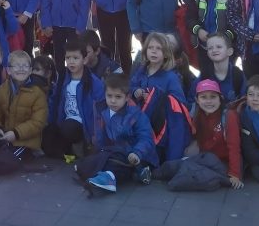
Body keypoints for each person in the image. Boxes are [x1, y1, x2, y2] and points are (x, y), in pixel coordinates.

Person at [76, 72, 157, 194]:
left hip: (135, 155)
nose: (113, 101)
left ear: (127, 97)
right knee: (86, 164)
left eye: (118, 97)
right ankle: (110, 174)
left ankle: (111, 178)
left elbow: (146, 138)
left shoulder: (136, 115)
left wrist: (137, 153)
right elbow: (101, 137)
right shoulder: (102, 110)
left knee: (112, 164)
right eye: (109, 96)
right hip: (113, 152)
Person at [129, 31, 190, 163]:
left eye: (159, 48)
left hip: (160, 128)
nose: (154, 51)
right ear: (145, 50)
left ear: (166, 53)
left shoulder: (171, 77)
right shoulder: (141, 71)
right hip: (140, 123)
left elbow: (179, 106)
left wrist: (155, 96)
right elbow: (130, 87)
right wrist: (136, 92)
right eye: (150, 48)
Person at [42, 39, 104, 159]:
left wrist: (95, 134)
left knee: (68, 129)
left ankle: (81, 143)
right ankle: (70, 149)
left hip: (82, 125)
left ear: (84, 60)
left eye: (75, 58)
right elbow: (54, 101)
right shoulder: (62, 78)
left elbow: (100, 108)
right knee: (47, 139)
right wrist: (49, 121)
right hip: (64, 121)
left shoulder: (93, 82)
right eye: (68, 58)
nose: (71, 62)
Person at [0, 50, 48, 156]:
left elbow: (38, 122)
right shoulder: (2, 90)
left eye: (25, 66)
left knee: (9, 157)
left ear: (30, 70)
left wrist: (16, 133)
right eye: (17, 66)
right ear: (9, 70)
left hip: (27, 142)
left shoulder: (37, 93)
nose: (21, 69)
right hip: (6, 138)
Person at [197, 33, 245, 104]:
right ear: (207, 53)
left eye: (219, 47)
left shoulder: (238, 75)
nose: (214, 50)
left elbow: (244, 101)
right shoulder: (204, 75)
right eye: (210, 48)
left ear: (230, 51)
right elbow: (192, 100)